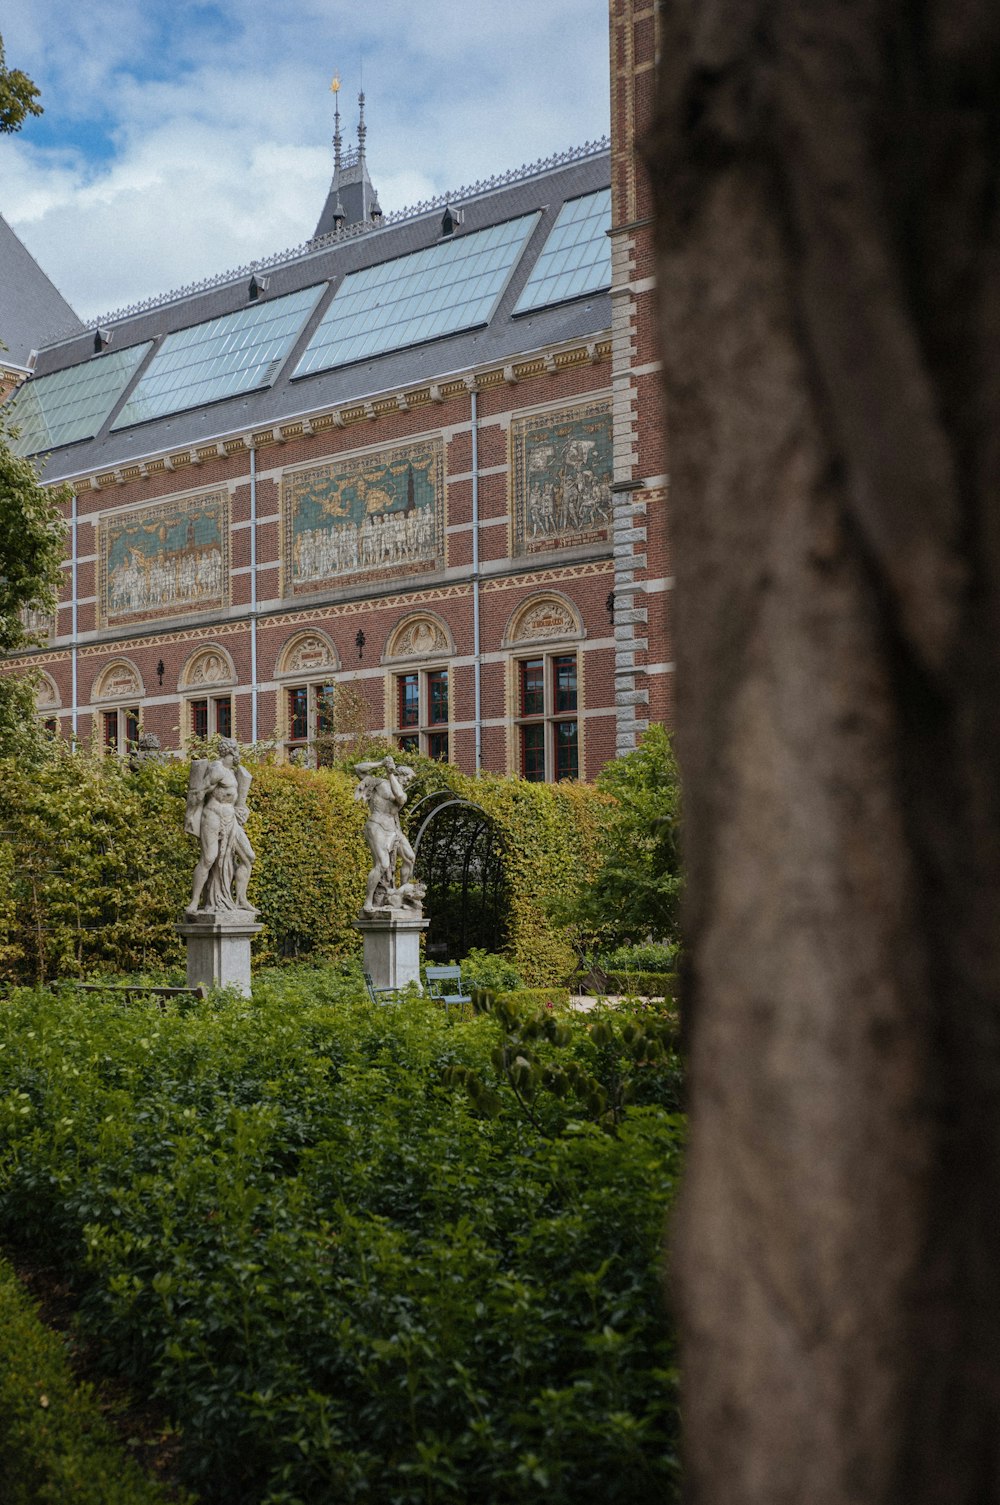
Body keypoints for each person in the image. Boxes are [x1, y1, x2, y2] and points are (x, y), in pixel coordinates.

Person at [185, 738, 256, 914]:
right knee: (209, 858)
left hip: (231, 818)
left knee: (248, 857)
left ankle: (241, 900)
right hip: (213, 815)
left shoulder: (232, 772)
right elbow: (198, 792)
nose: (237, 755)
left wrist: (242, 810)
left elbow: (235, 799)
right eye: (235, 752)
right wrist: (190, 814)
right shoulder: (217, 770)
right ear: (229, 753)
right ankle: (194, 902)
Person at [354, 755, 416, 913]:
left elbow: (400, 798)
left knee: (410, 857)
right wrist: (381, 764)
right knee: (383, 864)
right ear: (400, 775)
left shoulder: (401, 792)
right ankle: (369, 901)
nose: (407, 782)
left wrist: (390, 773)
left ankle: (401, 894)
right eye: (407, 779)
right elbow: (358, 768)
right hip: (376, 826)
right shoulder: (379, 783)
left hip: (393, 829)